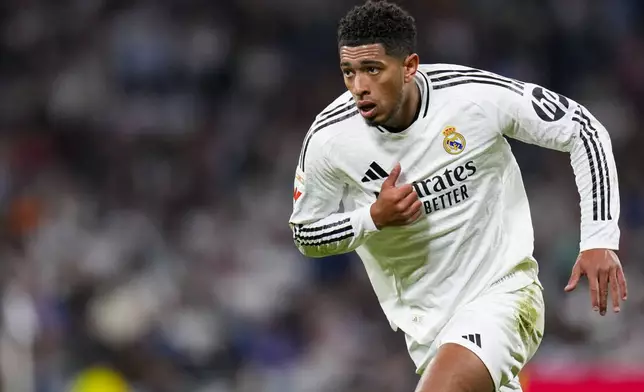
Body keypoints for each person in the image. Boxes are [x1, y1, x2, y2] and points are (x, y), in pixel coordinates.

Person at [288, 1, 628, 391]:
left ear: (410, 66)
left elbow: (583, 129)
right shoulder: (330, 139)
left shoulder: (471, 97)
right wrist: (372, 219)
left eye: (372, 70)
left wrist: (600, 239)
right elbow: (306, 235)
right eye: (348, 72)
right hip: (426, 331)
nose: (358, 86)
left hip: (503, 295)